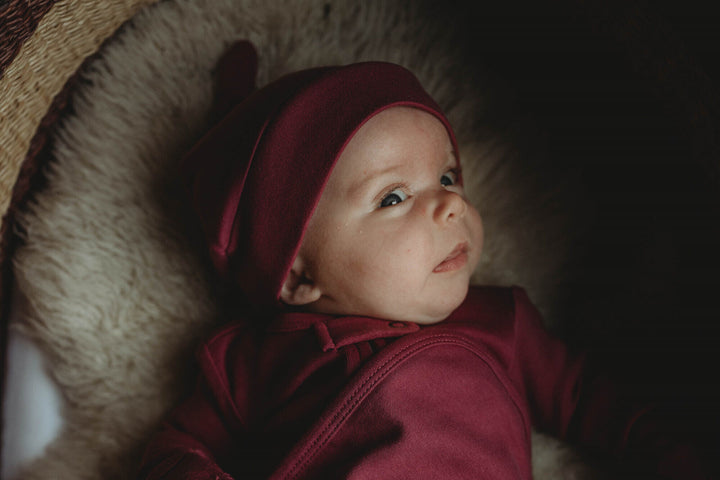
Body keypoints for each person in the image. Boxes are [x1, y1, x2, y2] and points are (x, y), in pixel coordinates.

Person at [137, 41, 709, 479]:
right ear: (296, 275)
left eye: (447, 177)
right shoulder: (256, 360)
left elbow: (592, 403)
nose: (452, 205)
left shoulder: (500, 324)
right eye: (394, 197)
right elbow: (173, 449)